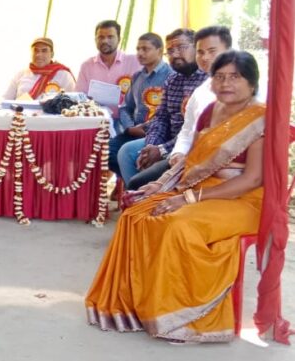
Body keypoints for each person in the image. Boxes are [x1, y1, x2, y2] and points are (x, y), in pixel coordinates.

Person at [86, 50, 266, 344]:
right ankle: (138, 306)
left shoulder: (260, 119)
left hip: (243, 199)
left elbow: (253, 179)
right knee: (136, 215)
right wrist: (161, 185)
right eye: (219, 77)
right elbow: (192, 159)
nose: (226, 83)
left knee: (176, 225)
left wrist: (189, 198)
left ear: (252, 83)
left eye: (235, 77)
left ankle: (181, 316)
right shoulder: (211, 110)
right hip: (198, 186)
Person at [117, 28, 208, 189]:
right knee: (127, 151)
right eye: (170, 51)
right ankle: (140, 199)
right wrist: (151, 145)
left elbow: (194, 131)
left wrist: (161, 150)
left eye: (181, 47)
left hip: (191, 146)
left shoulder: (207, 81)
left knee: (139, 179)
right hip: (166, 140)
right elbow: (161, 118)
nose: (175, 54)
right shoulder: (172, 80)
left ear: (197, 48)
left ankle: (143, 196)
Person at [166, 26, 236, 171]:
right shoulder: (200, 91)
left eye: (212, 51)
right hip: (192, 159)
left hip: (225, 166)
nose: (205, 58)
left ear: (229, 51)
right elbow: (187, 130)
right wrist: (178, 153)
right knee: (140, 181)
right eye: (200, 52)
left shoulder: (245, 88)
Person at [108, 32, 172, 180]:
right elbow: (125, 107)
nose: (140, 53)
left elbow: (168, 113)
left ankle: (137, 185)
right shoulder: (137, 76)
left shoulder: (170, 75)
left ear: (160, 51)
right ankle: (135, 183)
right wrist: (130, 127)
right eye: (138, 49)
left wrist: (148, 128)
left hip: (158, 134)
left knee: (132, 156)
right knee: (107, 152)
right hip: (134, 131)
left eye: (145, 49)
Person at [75, 20, 141, 117]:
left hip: (127, 121)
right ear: (95, 40)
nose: (105, 41)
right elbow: (80, 96)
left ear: (119, 39)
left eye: (110, 37)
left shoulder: (135, 62)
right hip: (96, 120)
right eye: (101, 37)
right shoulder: (86, 66)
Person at [3, 38, 75, 100]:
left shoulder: (63, 75)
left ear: (52, 54)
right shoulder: (21, 74)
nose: (39, 55)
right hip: (21, 111)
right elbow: (6, 99)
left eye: (44, 51)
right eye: (36, 50)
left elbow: (73, 101)